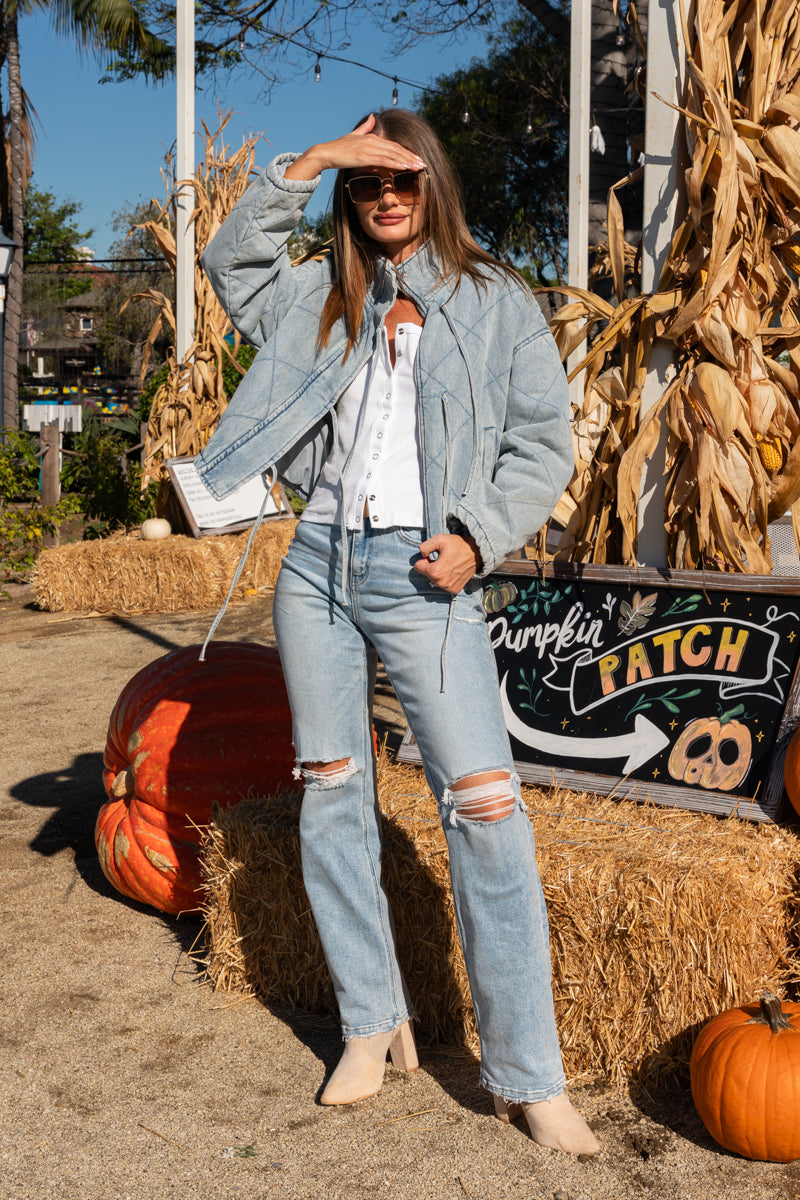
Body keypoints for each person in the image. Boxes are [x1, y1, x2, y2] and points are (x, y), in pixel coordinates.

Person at [195, 108, 599, 1156]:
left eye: (402, 178)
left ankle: (526, 1074)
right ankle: (371, 1023)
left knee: (484, 809)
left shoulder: (496, 303)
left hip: (420, 573)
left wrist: (477, 534)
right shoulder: (318, 298)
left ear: (434, 186)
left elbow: (539, 444)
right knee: (332, 797)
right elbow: (229, 253)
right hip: (315, 567)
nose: (384, 195)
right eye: (366, 181)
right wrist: (319, 155)